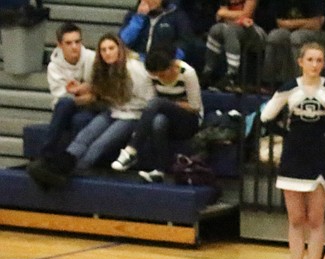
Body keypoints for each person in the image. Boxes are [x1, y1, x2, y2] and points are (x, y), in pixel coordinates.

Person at [260, 41, 325, 259]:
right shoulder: (289, 88)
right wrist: (288, 135)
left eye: (319, 60)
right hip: (293, 157)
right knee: (295, 220)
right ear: (300, 62)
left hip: (319, 158)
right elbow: (266, 117)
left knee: (315, 220)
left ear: (324, 64)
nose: (314, 65)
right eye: (310, 60)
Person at [28, 34, 156, 188]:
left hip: (133, 115)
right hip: (113, 109)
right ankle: (59, 167)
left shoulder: (134, 68)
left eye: (111, 48)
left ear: (120, 49)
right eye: (103, 50)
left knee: (99, 143)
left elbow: (150, 100)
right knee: (84, 136)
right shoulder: (103, 68)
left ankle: (75, 172)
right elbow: (100, 92)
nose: (107, 53)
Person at [111, 47, 203, 183]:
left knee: (158, 103)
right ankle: (159, 171)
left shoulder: (187, 73)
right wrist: (165, 104)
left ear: (172, 66)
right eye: (156, 75)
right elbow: (151, 102)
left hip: (189, 120)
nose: (159, 78)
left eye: (162, 75)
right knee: (158, 121)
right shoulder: (152, 75)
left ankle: (131, 150)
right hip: (165, 117)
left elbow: (195, 106)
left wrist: (169, 104)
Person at [41, 23, 97, 158]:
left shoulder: (93, 58)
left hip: (91, 107)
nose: (74, 47)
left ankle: (73, 161)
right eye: (69, 43)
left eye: (77, 42)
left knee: (79, 119)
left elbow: (100, 93)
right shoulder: (54, 67)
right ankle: (47, 154)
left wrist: (82, 92)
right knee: (65, 104)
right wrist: (85, 93)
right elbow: (61, 100)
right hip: (66, 109)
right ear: (59, 45)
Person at [258, 0, 325, 88]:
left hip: (324, 34)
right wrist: (303, 23)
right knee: (276, 36)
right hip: (293, 32)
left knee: (297, 37)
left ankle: (301, 83)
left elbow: (317, 24)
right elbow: (279, 23)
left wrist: (289, 24)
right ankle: (269, 83)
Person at [201, 0, 266, 91]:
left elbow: (247, 14)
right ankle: (208, 71)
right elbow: (219, 17)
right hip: (234, 26)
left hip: (256, 31)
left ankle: (232, 74)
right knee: (215, 29)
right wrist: (231, 16)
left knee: (230, 30)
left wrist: (225, 13)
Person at [119, 0, 196, 61]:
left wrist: (170, 58)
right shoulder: (133, 15)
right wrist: (139, 18)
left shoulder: (177, 16)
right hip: (137, 60)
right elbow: (123, 41)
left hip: (165, 62)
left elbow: (184, 42)